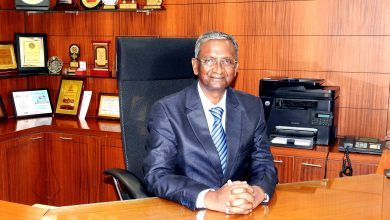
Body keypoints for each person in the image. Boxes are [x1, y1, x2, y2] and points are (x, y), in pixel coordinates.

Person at [143, 31, 277, 215]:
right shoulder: (167, 110)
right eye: (209, 60)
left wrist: (255, 193)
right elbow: (157, 175)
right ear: (195, 66)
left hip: (238, 211)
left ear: (236, 67)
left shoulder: (252, 107)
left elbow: (263, 164)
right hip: (185, 210)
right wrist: (210, 197)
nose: (219, 69)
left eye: (227, 61)